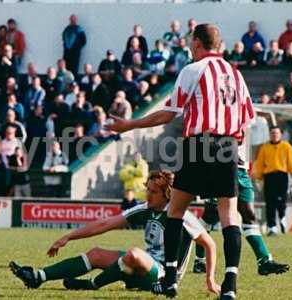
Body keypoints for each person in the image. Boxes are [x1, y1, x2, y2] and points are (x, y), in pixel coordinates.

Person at [106, 23, 256, 299]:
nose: (189, 47)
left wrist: (129, 125)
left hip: (198, 145)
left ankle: (171, 279)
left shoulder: (193, 70)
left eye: (191, 42)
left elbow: (167, 114)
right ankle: (230, 285)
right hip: (228, 148)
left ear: (198, 43)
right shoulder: (235, 74)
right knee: (229, 216)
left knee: (175, 211)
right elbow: (246, 121)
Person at [9, 170, 220, 295]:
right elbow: (105, 224)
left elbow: (209, 244)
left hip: (164, 275)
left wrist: (210, 280)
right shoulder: (145, 209)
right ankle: (37, 276)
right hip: (141, 266)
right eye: (147, 189)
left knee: (134, 254)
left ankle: (91, 285)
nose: (147, 195)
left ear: (167, 194)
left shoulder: (182, 216)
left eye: (152, 191)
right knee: (96, 254)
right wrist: (68, 237)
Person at [193, 141, 290, 276]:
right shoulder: (219, 121)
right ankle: (199, 260)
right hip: (221, 168)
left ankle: (264, 261)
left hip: (242, 171)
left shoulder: (246, 121)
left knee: (249, 214)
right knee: (211, 215)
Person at [254, 126, 292, 236]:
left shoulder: (287, 146)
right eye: (273, 133)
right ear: (270, 134)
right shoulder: (265, 147)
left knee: (281, 201)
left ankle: (282, 218)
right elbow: (259, 164)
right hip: (269, 176)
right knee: (270, 202)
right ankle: (272, 227)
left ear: (281, 134)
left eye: (277, 133)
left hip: (282, 176)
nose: (275, 135)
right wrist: (258, 178)